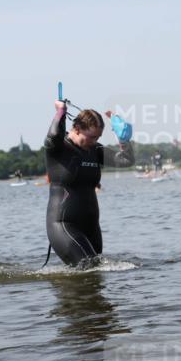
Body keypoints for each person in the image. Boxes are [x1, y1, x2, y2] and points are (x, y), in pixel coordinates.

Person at [44, 100, 134, 266]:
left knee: (96, 275)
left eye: (98, 137)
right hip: (63, 225)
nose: (95, 141)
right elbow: (52, 137)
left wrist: (124, 140)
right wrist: (60, 114)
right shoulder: (59, 148)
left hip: (91, 227)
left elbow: (126, 160)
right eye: (92, 137)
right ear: (77, 129)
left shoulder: (95, 150)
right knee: (90, 267)